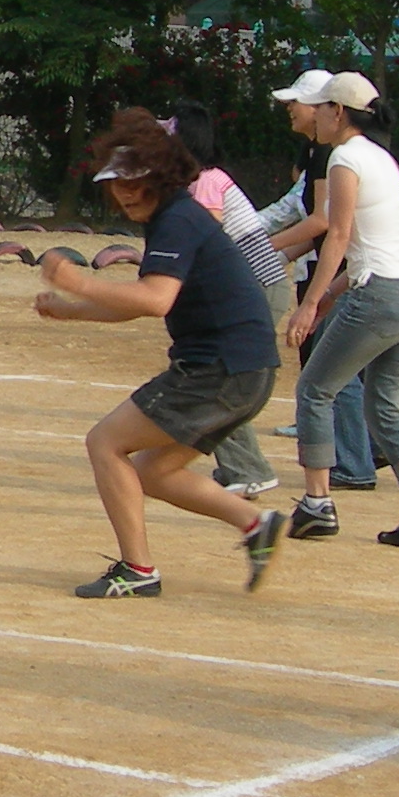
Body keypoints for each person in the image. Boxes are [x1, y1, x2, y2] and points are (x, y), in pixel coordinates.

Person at [35, 110, 287, 599]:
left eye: (136, 182)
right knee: (154, 471)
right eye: (118, 183)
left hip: (220, 369)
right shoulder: (174, 218)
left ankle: (137, 570)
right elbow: (144, 300)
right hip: (246, 369)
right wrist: (73, 310)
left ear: (162, 176)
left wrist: (79, 283)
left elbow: (155, 299)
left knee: (105, 442)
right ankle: (256, 523)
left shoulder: (177, 219)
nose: (126, 193)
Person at [279, 74, 399, 553]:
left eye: (321, 107)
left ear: (338, 111)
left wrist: (310, 303)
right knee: (383, 405)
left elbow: (337, 234)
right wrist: (329, 294)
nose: (314, 114)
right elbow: (373, 246)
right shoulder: (381, 156)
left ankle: (317, 504)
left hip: (378, 298)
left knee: (315, 389)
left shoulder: (344, 158)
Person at [257, 70, 377, 491]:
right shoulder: (320, 153)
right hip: (338, 266)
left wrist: (262, 245)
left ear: (325, 108)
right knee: (344, 368)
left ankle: (354, 461)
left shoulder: (333, 155)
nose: (290, 109)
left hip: (343, 271)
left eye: (297, 102)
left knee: (331, 369)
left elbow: (325, 223)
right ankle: (369, 448)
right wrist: (275, 254)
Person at [169, 100, 289, 498]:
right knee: (226, 375)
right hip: (257, 289)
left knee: (223, 377)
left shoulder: (205, 182)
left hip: (256, 290)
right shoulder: (205, 179)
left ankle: (248, 468)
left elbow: (203, 240)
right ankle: (240, 466)